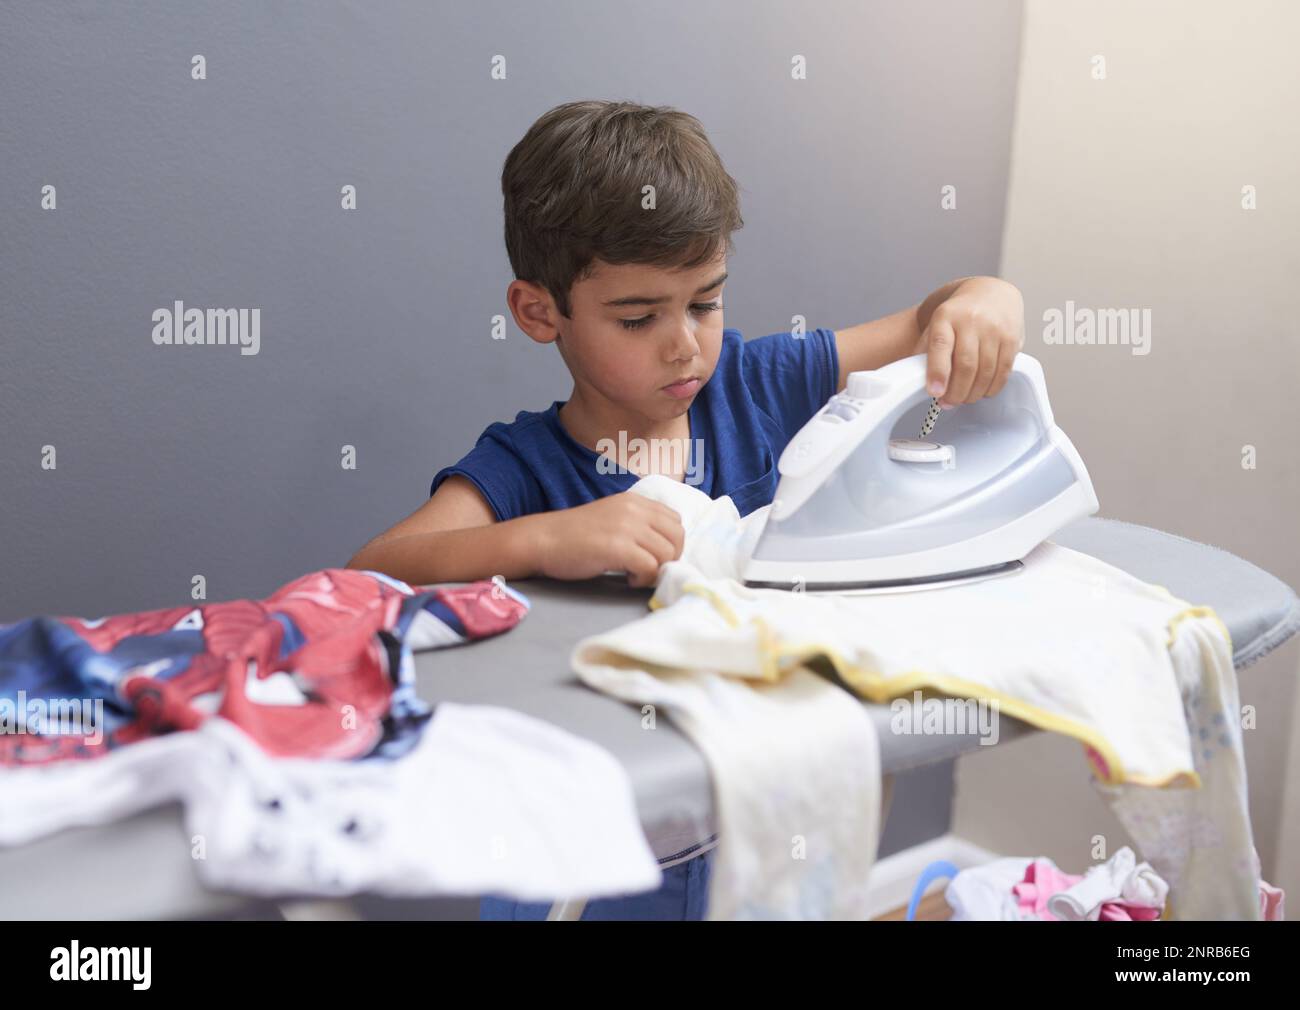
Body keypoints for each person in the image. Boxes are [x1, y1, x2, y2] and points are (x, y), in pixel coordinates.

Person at [346, 99, 1025, 919]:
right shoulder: (526, 468)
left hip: (754, 832)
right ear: (539, 312)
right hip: (588, 859)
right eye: (638, 317)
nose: (685, 344)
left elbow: (928, 321)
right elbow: (369, 573)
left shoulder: (761, 386)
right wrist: (544, 538)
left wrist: (985, 297)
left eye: (705, 303)